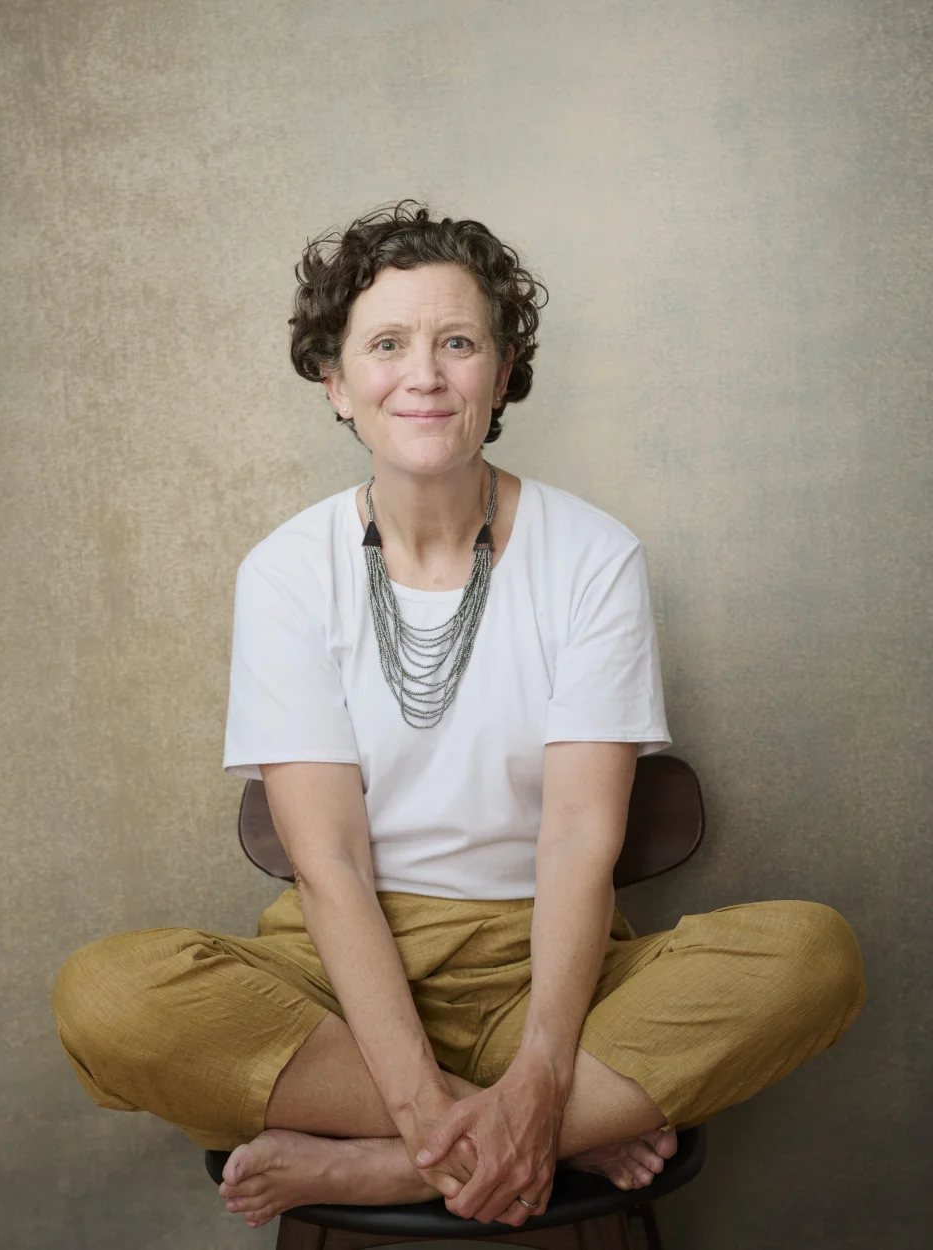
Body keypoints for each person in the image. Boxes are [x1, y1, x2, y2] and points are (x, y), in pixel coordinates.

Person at [52, 201, 867, 1232]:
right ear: (337, 382)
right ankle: (534, 1130)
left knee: (815, 955)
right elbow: (330, 862)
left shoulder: (591, 554)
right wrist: (443, 1101)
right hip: (342, 976)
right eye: (386, 344)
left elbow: (578, 836)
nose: (424, 374)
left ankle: (389, 1164)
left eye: (457, 342)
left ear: (501, 370)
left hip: (550, 965)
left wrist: (538, 1069)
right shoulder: (285, 573)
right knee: (107, 993)